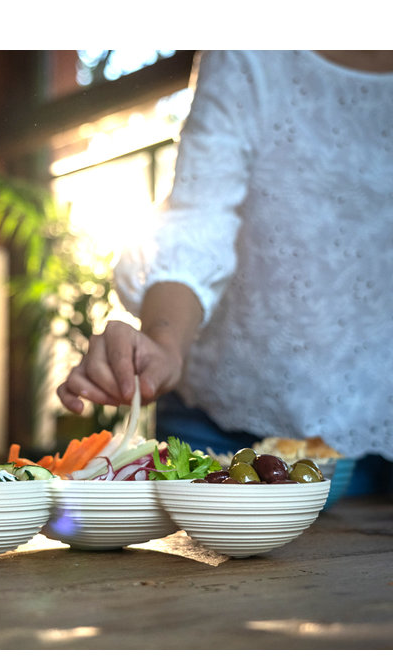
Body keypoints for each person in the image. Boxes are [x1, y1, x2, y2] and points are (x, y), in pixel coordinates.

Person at [57, 50, 393, 494]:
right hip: (216, 424)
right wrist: (164, 342)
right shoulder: (247, 49)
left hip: (378, 436)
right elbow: (198, 219)